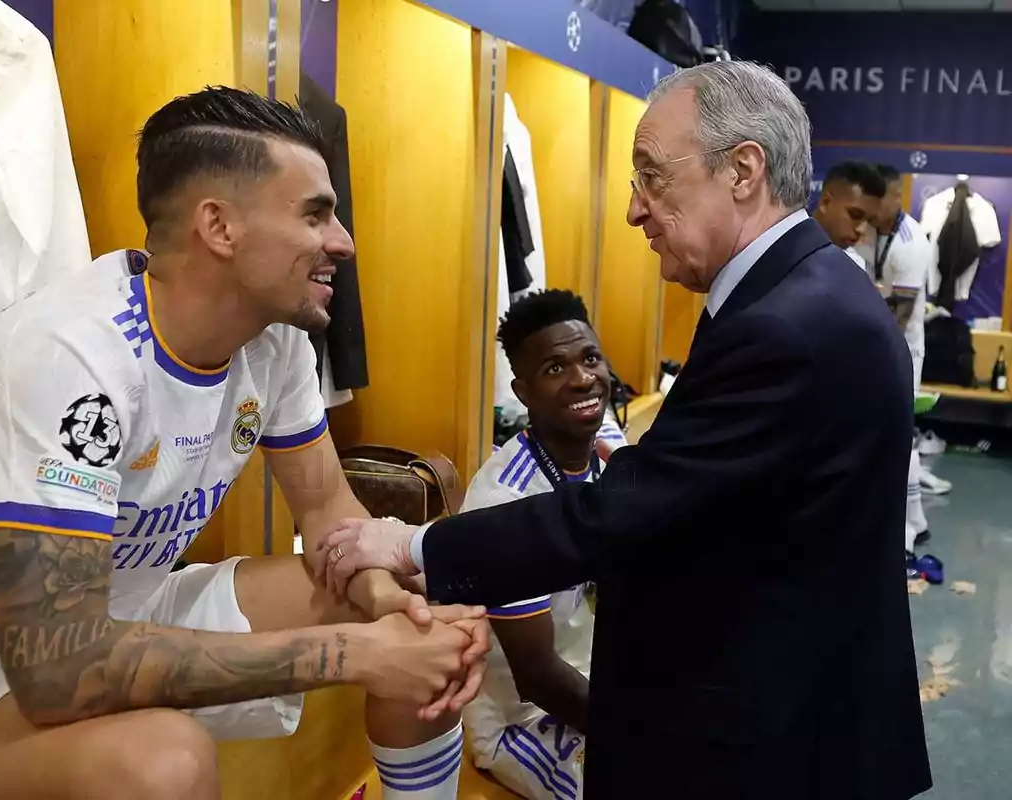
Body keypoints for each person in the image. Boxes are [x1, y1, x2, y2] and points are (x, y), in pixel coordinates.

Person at [0, 87, 490, 800]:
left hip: (119, 615)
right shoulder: (69, 357)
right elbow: (56, 669)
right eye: (315, 214)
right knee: (164, 762)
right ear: (219, 226)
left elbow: (330, 517)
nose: (343, 240)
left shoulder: (276, 343)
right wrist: (355, 654)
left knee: (411, 625)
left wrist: (393, 611)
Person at [316, 61, 931, 799]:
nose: (635, 210)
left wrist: (413, 543)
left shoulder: (785, 326)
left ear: (742, 170)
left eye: (652, 175)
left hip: (761, 743)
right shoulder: (816, 295)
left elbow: (631, 513)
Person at [459, 289, 628, 800]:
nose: (582, 378)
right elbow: (537, 678)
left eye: (590, 358)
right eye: (555, 368)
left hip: (603, 684)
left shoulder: (605, 460)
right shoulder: (504, 501)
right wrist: (643, 731)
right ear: (523, 390)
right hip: (525, 719)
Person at [865, 164, 952, 498]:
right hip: (869, 340)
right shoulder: (867, 228)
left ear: (896, 195)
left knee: (897, 426)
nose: (872, 206)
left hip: (900, 348)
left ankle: (911, 509)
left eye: (879, 198)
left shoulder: (911, 241)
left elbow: (899, 315)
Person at [811, 160, 886, 269]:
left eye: (869, 220)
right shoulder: (784, 250)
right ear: (825, 203)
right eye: (855, 215)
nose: (862, 230)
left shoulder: (856, 267)